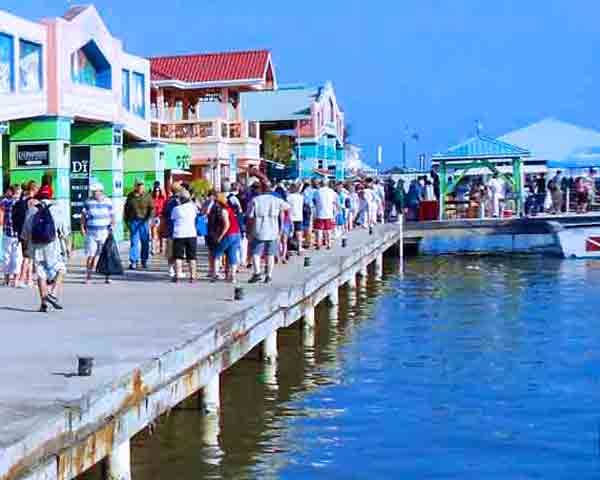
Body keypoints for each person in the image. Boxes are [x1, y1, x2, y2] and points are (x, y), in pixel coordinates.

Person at [21, 188, 70, 312]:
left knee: (41, 274)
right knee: (61, 269)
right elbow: (64, 231)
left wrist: (26, 247)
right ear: (51, 196)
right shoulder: (56, 209)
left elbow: (25, 232)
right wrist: (68, 245)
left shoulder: (32, 210)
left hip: (36, 246)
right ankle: (53, 294)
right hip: (52, 245)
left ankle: (44, 304)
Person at [246, 181, 290, 284]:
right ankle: (269, 275)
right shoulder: (276, 200)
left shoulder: (255, 200)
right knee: (270, 254)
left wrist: (249, 230)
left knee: (256, 253)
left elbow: (250, 216)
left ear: (261, 189)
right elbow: (288, 207)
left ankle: (257, 273)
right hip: (273, 229)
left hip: (259, 228)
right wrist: (280, 214)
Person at [81, 183, 115, 284]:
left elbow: (113, 216)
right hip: (91, 232)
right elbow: (83, 216)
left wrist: (112, 226)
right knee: (91, 255)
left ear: (101, 191)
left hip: (104, 232)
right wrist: (82, 228)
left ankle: (107, 277)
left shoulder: (108, 201)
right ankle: (88, 277)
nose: (93, 193)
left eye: (95, 191)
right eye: (93, 192)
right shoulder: (88, 202)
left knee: (106, 255)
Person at [13, 181, 39, 288]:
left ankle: (29, 279)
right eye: (37, 188)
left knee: (28, 256)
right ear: (33, 189)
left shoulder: (21, 200)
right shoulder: (31, 201)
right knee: (27, 257)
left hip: (21, 232)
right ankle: (22, 279)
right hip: (29, 231)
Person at [212, 193, 242, 283]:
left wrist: (220, 237)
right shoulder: (230, 209)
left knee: (217, 254)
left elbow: (227, 225)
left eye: (216, 201)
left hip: (229, 234)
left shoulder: (224, 211)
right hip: (237, 234)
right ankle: (233, 276)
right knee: (232, 255)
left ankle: (216, 274)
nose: (215, 203)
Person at [124, 180, 154, 270]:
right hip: (133, 221)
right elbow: (126, 209)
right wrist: (126, 221)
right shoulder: (130, 196)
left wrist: (150, 218)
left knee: (145, 242)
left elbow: (152, 208)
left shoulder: (147, 196)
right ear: (135, 186)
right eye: (138, 185)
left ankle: (144, 260)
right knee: (134, 242)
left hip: (144, 221)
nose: (140, 187)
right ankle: (133, 261)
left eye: (141, 185)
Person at [170, 189, 198, 283]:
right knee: (192, 257)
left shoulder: (176, 209)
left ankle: (177, 276)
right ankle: (193, 276)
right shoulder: (193, 207)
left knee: (178, 256)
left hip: (179, 234)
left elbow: (173, 218)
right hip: (191, 233)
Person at [0, 185, 23, 286]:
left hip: (7, 233)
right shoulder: (20, 203)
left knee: (6, 256)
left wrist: (7, 194)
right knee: (17, 257)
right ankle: (16, 279)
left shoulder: (5, 202)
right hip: (17, 235)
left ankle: (6, 279)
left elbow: (3, 199)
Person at [162, 182, 182, 278]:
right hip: (179, 228)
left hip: (170, 228)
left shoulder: (168, 201)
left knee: (170, 250)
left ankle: (171, 269)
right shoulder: (181, 201)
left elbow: (164, 214)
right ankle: (178, 270)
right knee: (178, 250)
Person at [313, 179, 338, 249]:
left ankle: (318, 244)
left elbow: (314, 202)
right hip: (329, 213)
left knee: (319, 230)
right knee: (328, 230)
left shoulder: (317, 192)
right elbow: (335, 202)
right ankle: (329, 244)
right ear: (327, 184)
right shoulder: (331, 191)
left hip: (319, 213)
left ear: (320, 184)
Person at [287, 183, 305, 255]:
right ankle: (299, 248)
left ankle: (289, 248)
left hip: (290, 217)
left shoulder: (288, 197)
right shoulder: (301, 197)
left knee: (290, 233)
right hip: (299, 216)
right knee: (299, 233)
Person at [150, 182, 166, 255]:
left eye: (158, 191)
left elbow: (164, 194)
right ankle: (153, 248)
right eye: (156, 191)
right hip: (154, 217)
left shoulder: (162, 198)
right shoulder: (151, 198)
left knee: (161, 233)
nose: (157, 192)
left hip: (161, 216)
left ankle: (161, 248)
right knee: (154, 233)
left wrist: (160, 187)